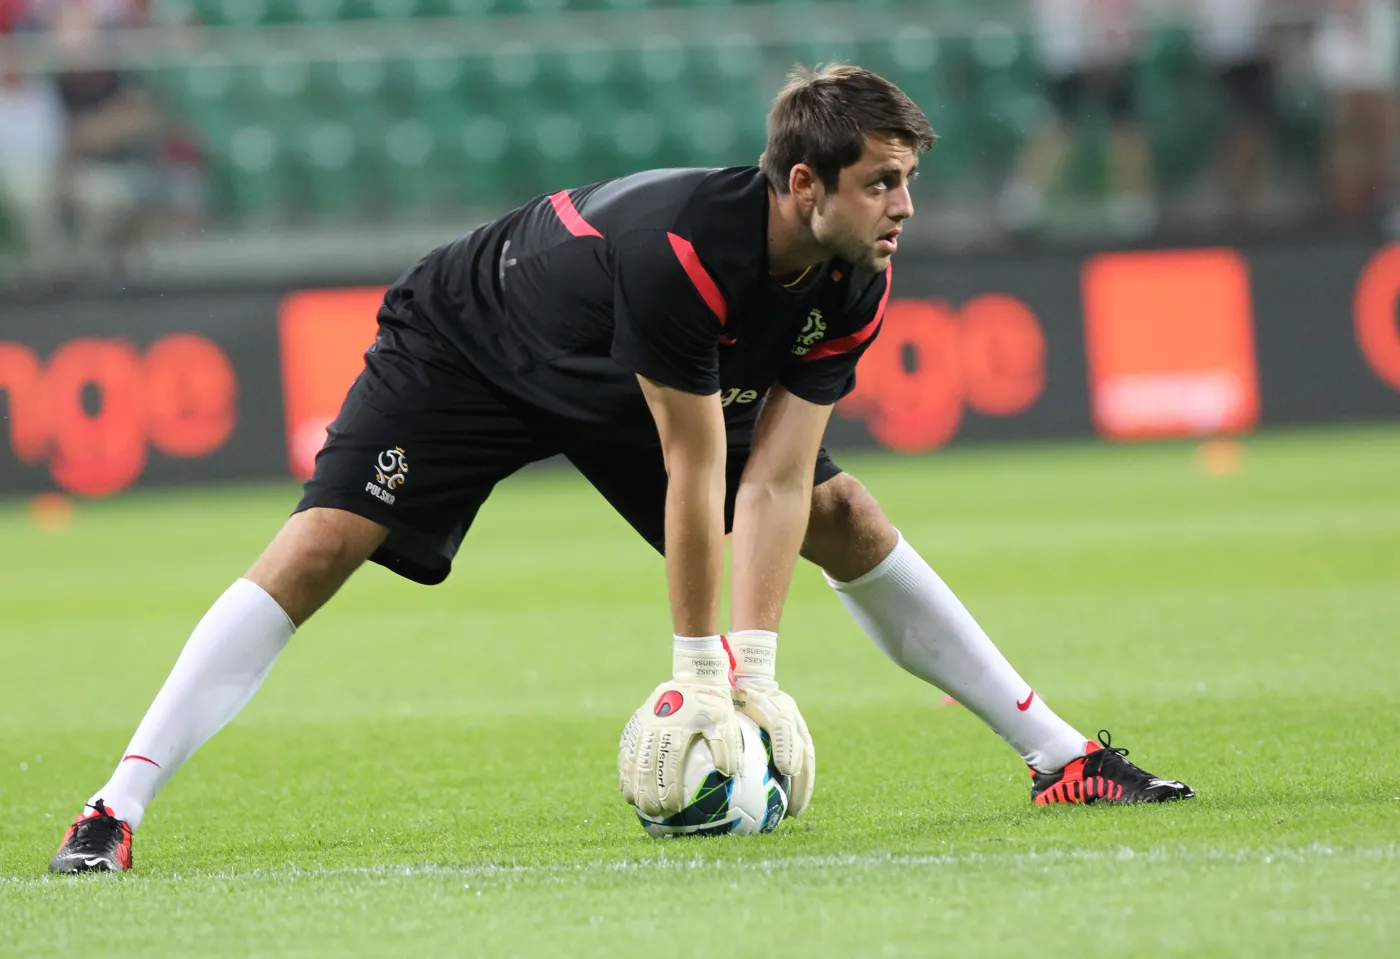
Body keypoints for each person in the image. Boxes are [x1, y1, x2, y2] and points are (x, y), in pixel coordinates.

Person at [50, 64, 1193, 874]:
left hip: (626, 373)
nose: (905, 206)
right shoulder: (683, 252)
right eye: (882, 182)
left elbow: (778, 483)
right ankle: (116, 804)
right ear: (804, 184)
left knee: (844, 513)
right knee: (320, 545)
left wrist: (753, 668)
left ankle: (1061, 756)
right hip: (473, 340)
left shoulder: (855, 275)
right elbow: (696, 470)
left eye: (904, 180)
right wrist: (701, 674)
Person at [998, 0, 1157, 238]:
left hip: (1101, 49)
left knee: (1122, 126)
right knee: (1063, 126)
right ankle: (1022, 201)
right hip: (1072, 52)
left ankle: (1135, 204)